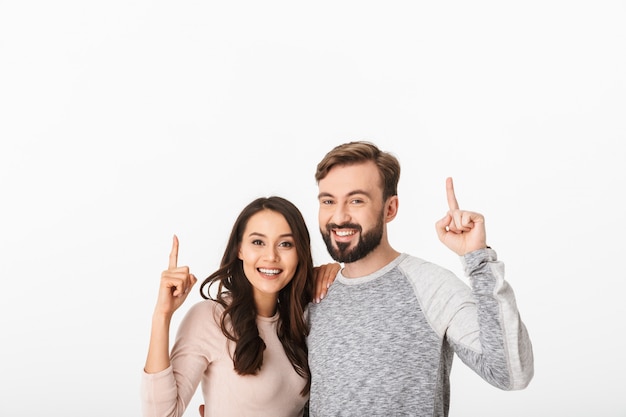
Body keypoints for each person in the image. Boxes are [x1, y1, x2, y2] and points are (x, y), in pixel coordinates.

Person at [306, 141, 534, 416]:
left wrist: (478, 260)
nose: (339, 216)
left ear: (390, 209)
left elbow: (511, 373)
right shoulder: (315, 292)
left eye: (356, 200)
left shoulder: (432, 288)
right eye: (328, 201)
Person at [141, 196, 337, 417]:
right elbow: (161, 414)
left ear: (299, 252)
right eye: (258, 242)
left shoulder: (299, 320)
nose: (271, 256)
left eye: (285, 244)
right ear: (239, 250)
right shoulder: (211, 318)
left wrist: (336, 276)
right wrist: (162, 314)